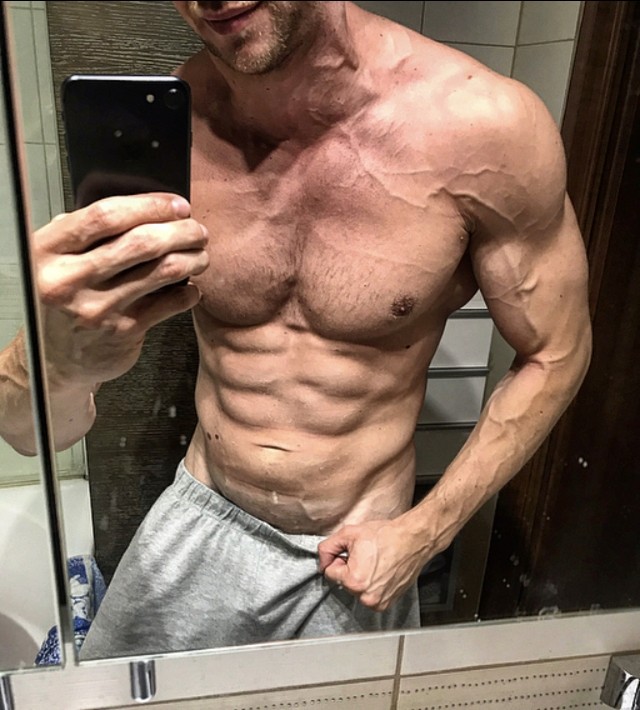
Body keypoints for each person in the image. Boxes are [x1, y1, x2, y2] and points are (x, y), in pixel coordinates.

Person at [0, 0, 592, 658]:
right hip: (200, 517)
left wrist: (425, 531)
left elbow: (556, 353)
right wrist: (47, 360)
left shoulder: (484, 129)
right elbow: (30, 433)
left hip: (358, 552)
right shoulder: (164, 132)